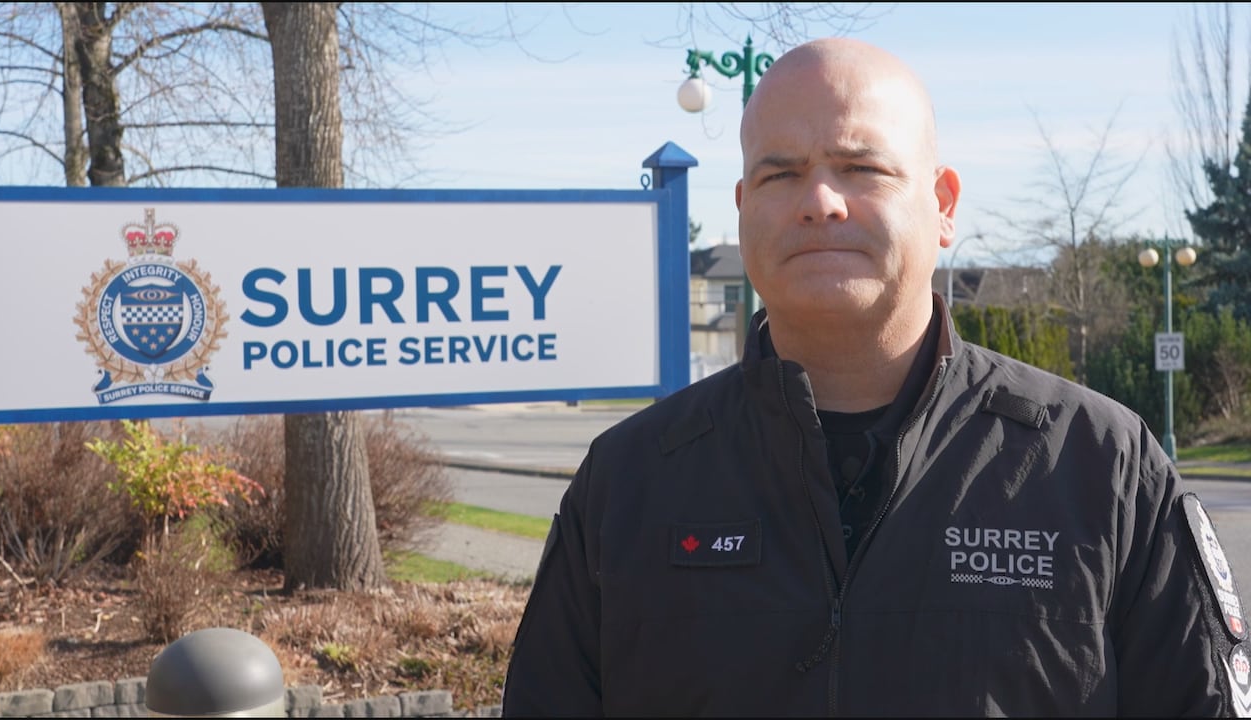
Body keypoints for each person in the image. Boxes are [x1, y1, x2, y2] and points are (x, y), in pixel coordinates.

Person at [501, 37, 1249, 717]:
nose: (820, 201)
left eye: (862, 168)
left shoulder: (1102, 469)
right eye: (780, 174)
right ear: (742, 209)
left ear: (943, 203)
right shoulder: (627, 484)